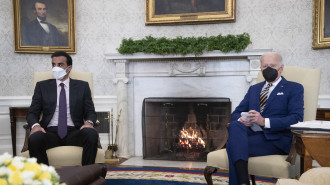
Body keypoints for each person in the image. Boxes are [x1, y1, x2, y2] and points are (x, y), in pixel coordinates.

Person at [226, 52, 304, 185]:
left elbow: (296, 118)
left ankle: (242, 182)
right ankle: (244, 181)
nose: (268, 69)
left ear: (281, 68)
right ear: (261, 68)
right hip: (252, 134)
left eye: (272, 65)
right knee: (235, 125)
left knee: (232, 145)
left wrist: (264, 122)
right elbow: (235, 113)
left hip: (276, 139)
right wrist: (243, 119)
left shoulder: (294, 88)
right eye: (265, 65)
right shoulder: (254, 89)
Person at [27, 51, 98, 166]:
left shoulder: (82, 86)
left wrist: (89, 122)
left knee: (91, 134)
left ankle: (86, 175)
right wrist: (35, 126)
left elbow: (90, 112)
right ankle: (44, 179)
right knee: (35, 138)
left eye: (60, 65)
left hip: (74, 132)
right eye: (53, 65)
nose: (56, 68)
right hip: (49, 132)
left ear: (69, 68)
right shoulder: (42, 86)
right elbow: (32, 113)